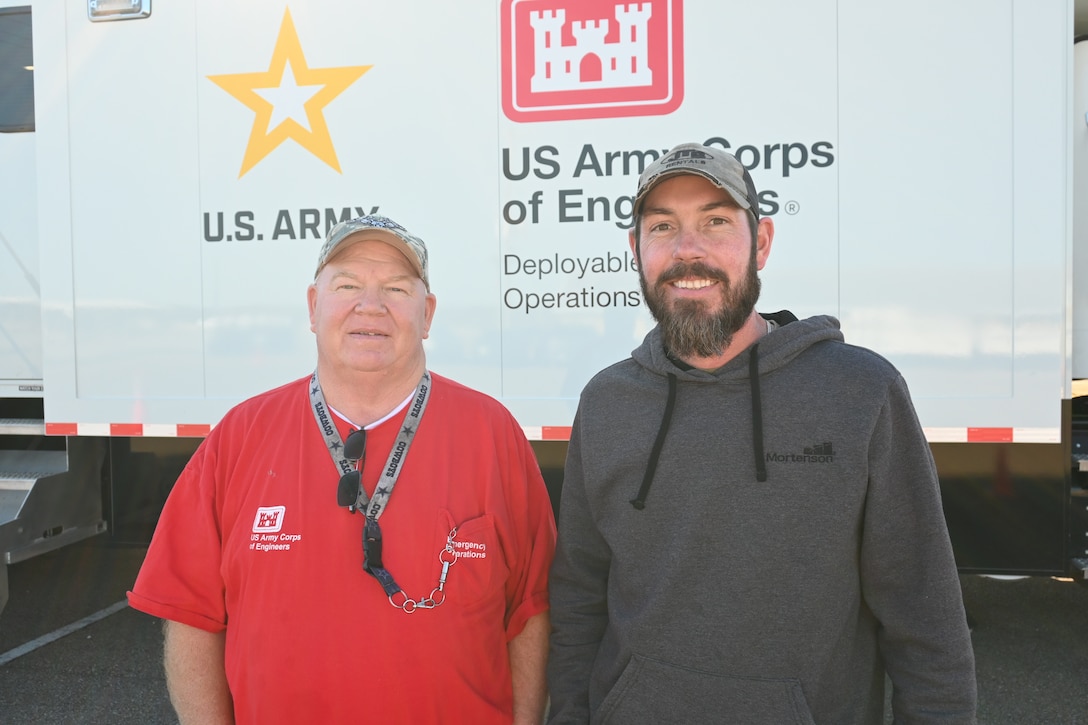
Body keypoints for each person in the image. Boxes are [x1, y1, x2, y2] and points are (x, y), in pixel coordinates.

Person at [546, 143, 977, 724]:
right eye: (663, 226)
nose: (688, 249)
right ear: (636, 250)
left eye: (716, 222)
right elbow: (579, 599)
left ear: (763, 243)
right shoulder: (606, 401)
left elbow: (925, 619)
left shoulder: (860, 392)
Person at [129, 214, 556, 724]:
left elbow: (531, 612)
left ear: (427, 314)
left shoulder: (492, 433)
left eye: (396, 288)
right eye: (348, 284)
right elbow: (191, 613)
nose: (369, 305)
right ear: (314, 307)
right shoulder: (240, 436)